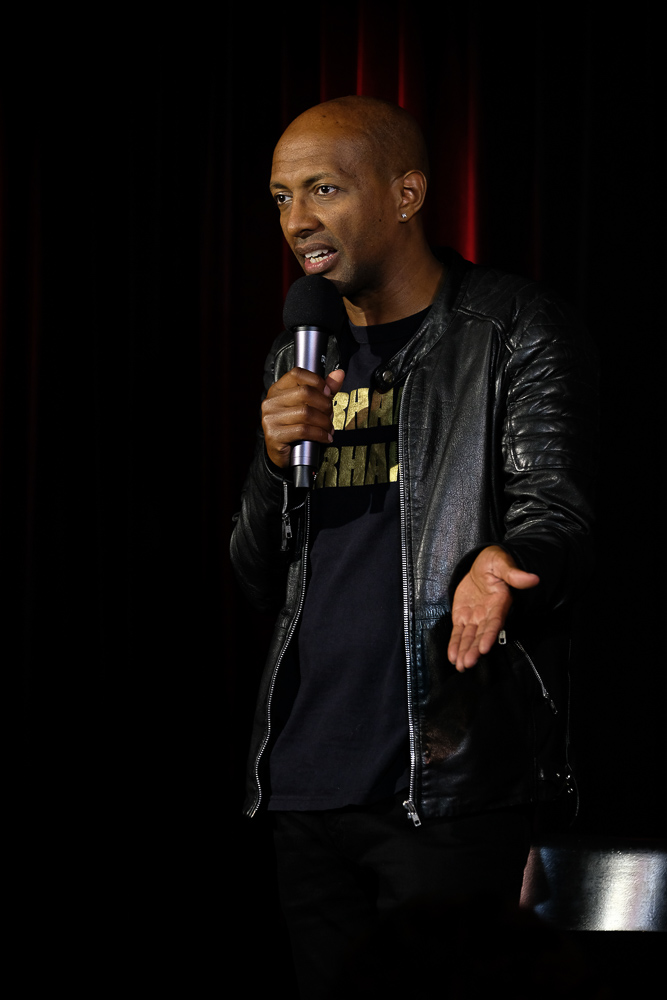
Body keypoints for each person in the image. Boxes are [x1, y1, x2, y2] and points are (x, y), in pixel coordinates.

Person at [230, 96, 597, 995]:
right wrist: (274, 464)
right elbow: (255, 575)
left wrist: (501, 565)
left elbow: (555, 511)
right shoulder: (296, 357)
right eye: (281, 197)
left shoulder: (507, 329)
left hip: (445, 776)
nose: (297, 220)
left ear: (406, 194)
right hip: (305, 779)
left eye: (323, 189)